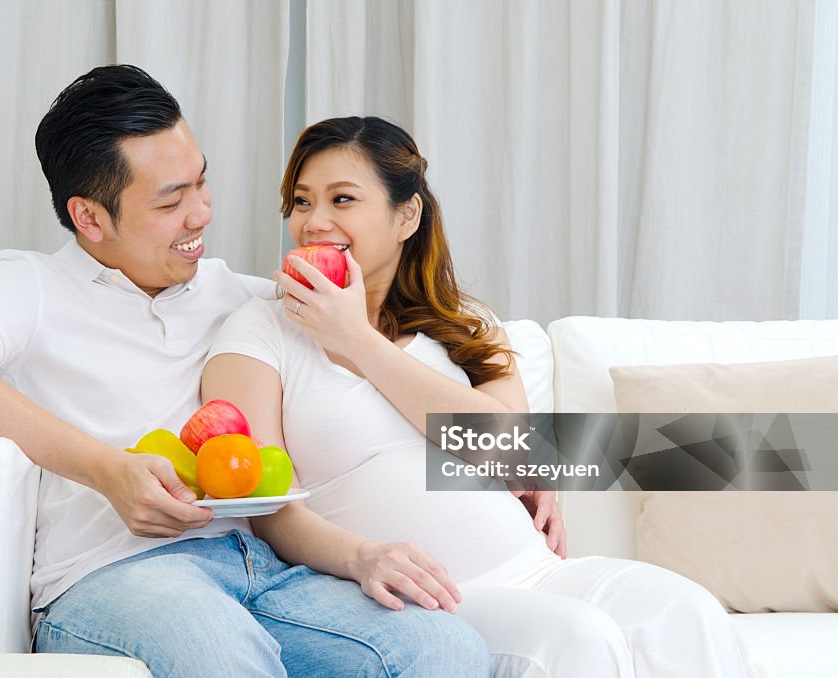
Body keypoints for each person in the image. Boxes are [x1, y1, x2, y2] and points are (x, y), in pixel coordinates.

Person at [0, 67, 492, 677]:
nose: (200, 214)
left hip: (258, 568)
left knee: (443, 648)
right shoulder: (31, 286)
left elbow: (429, 347)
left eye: (202, 185)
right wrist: (109, 471)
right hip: (110, 579)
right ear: (89, 217)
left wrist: (531, 464)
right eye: (171, 201)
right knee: (220, 651)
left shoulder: (241, 299)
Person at [201, 116, 753, 677]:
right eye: (300, 202)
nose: (314, 222)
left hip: (539, 570)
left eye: (342, 199)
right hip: (433, 599)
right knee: (579, 640)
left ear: (406, 215)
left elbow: (510, 452)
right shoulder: (260, 329)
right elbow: (260, 504)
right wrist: (361, 556)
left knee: (687, 611)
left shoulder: (463, 323)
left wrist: (358, 341)